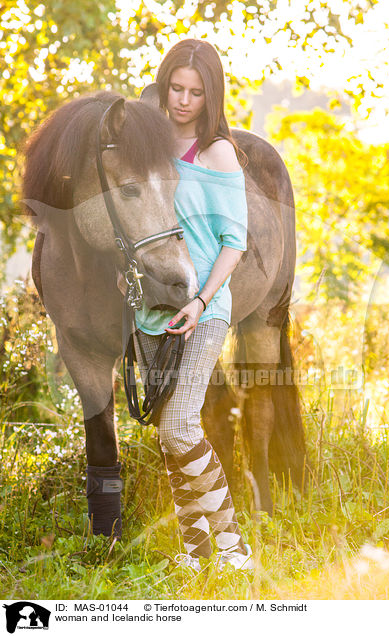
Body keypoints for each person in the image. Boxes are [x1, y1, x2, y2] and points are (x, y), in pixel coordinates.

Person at [133, 39, 252, 572]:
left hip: (204, 305)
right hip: (153, 311)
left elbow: (235, 241)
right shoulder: (146, 149)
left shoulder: (217, 153)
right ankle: (196, 553)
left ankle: (232, 548)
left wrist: (203, 300)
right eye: (175, 88)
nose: (183, 100)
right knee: (167, 432)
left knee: (180, 425)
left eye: (195, 92)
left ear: (211, 96)